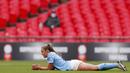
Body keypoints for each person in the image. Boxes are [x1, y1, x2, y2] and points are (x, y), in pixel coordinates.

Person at [32, 44, 127, 71]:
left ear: (47, 51)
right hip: (72, 64)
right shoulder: (51, 55)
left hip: (74, 65)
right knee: (96, 68)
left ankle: (117, 64)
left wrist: (38, 67)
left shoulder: (50, 55)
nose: (41, 53)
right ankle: (117, 65)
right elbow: (52, 68)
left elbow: (49, 68)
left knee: (96, 68)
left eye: (42, 51)